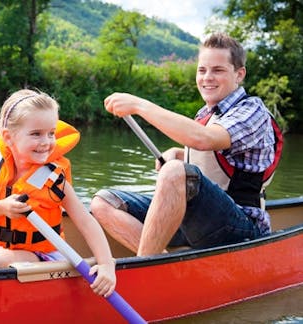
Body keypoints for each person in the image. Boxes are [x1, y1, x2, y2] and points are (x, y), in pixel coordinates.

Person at [90, 32, 282, 256]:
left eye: (217, 70)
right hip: (194, 219)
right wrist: (182, 155)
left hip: (240, 227)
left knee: (173, 172)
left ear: (239, 74)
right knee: (103, 202)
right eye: (202, 70)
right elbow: (219, 159)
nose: (207, 77)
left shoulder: (252, 110)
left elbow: (204, 139)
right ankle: (160, 260)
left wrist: (140, 106)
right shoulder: (206, 113)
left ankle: (144, 268)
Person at [0, 89, 116, 297]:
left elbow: (86, 222)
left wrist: (106, 264)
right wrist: (1, 206)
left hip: (41, 256)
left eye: (51, 133)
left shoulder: (53, 179)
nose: (46, 142)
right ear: (8, 137)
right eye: (36, 134)